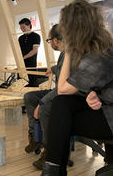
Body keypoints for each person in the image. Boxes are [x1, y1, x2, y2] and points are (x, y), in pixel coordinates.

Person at [42, 0, 113, 176]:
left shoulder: (99, 54)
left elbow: (63, 89)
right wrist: (94, 94)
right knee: (62, 106)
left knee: (61, 119)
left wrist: (68, 50)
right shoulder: (104, 46)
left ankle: (52, 170)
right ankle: (53, 170)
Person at [23, 24, 65, 170]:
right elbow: (60, 68)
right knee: (29, 97)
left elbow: (62, 88)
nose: (50, 43)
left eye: (49, 40)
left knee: (44, 109)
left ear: (55, 40)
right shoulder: (64, 53)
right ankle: (35, 136)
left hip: (65, 93)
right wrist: (52, 69)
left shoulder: (70, 53)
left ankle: (49, 151)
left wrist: (41, 103)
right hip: (59, 91)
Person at [18, 18, 41, 86]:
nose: (22, 29)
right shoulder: (20, 38)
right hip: (21, 65)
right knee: (20, 83)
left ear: (29, 25)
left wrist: (23, 58)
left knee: (31, 84)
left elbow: (34, 51)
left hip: (31, 65)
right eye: (21, 28)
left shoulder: (36, 36)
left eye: (23, 27)